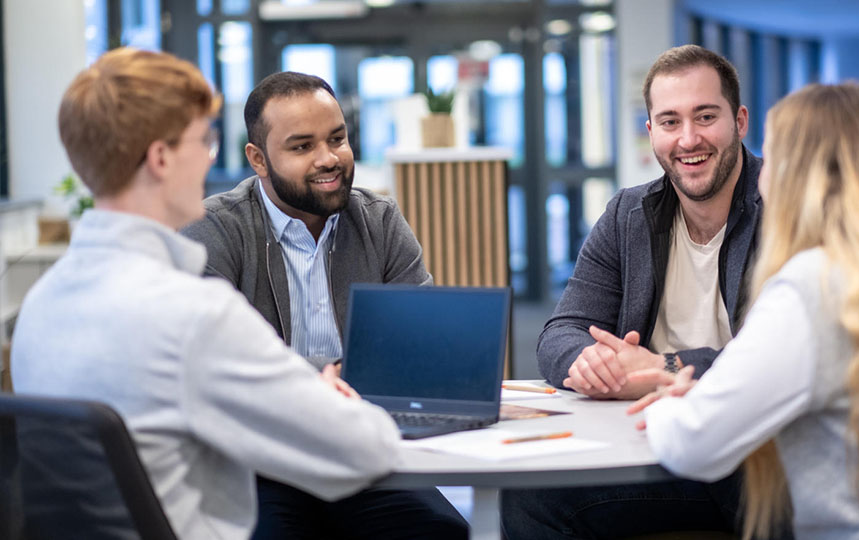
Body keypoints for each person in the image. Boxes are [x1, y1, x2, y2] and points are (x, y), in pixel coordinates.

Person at [11, 48, 402, 540]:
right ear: (161, 158)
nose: (210, 157)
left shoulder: (40, 308)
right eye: (205, 140)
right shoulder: (194, 316)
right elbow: (368, 448)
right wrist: (324, 395)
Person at [633, 82, 859, 539]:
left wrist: (670, 406)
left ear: (795, 174)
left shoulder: (811, 289)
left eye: (768, 154)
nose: (760, 174)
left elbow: (694, 445)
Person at [180, 72, 466, 539]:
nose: (328, 159)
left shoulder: (379, 221)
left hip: (358, 451)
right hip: (260, 461)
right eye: (301, 147)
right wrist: (325, 376)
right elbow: (217, 366)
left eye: (338, 139)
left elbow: (421, 347)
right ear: (259, 159)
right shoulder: (215, 231)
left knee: (441, 532)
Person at [502, 44, 762, 537]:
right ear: (650, 132)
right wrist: (593, 363)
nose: (689, 139)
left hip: (752, 449)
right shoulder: (629, 215)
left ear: (740, 121)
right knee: (531, 497)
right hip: (653, 441)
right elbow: (560, 333)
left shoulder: (784, 206)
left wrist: (660, 367)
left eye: (705, 116)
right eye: (669, 122)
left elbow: (776, 360)